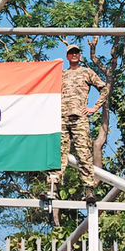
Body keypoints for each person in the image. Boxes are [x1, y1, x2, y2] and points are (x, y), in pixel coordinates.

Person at [46, 44, 106, 205]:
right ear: (67, 56)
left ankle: (88, 189)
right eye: (71, 53)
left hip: (79, 117)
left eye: (76, 53)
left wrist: (95, 107)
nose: (74, 55)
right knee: (58, 152)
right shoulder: (62, 75)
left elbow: (104, 88)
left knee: (83, 152)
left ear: (80, 55)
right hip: (62, 118)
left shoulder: (86, 72)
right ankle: (53, 186)